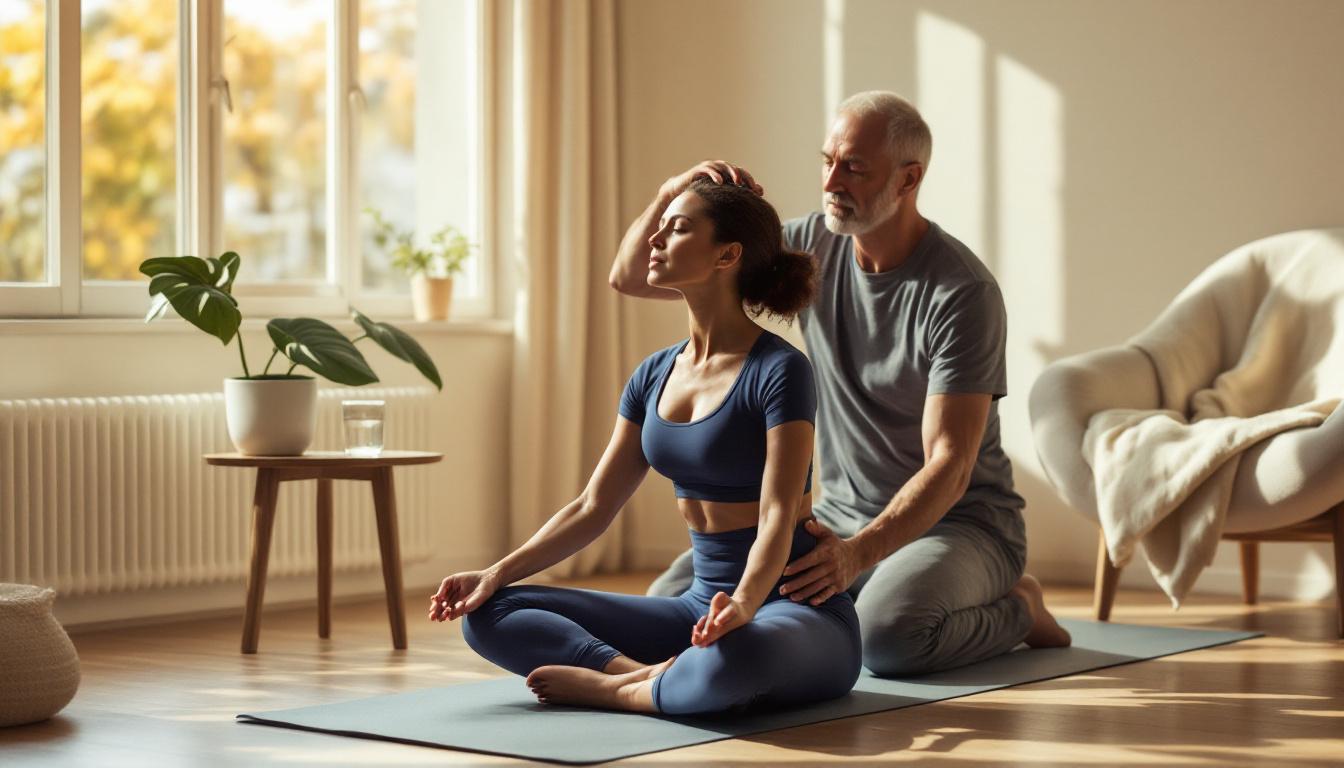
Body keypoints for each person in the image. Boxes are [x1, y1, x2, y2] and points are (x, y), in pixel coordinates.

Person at [609, 91, 1071, 678]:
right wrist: (670, 194)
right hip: (835, 516)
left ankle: (1017, 608)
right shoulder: (809, 250)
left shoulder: (960, 292)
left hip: (963, 525)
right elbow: (630, 278)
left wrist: (855, 558)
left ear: (909, 180)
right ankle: (859, 587)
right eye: (827, 160)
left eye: (854, 167)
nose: (832, 180)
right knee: (666, 611)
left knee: (888, 641)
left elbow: (951, 465)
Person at [430, 179, 862, 715]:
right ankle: (639, 678)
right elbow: (593, 507)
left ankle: (621, 689)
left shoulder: (781, 370)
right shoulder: (653, 374)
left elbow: (777, 514)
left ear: (728, 255)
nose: (655, 239)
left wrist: (746, 604)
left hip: (790, 610)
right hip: (695, 608)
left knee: (737, 656)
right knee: (489, 611)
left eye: (678, 229)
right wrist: (494, 573)